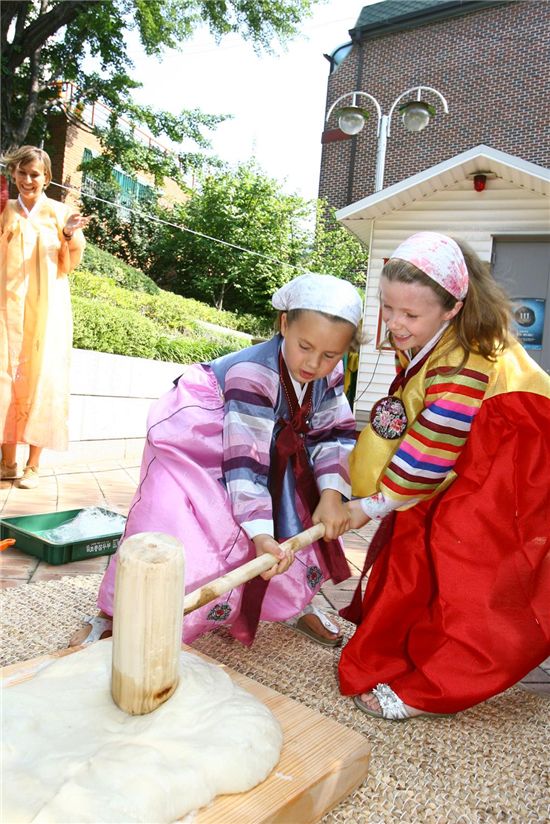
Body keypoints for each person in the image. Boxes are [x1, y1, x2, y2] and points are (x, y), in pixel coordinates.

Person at [71, 273, 363, 647]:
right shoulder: (253, 373)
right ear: (284, 324)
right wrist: (260, 534)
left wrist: (331, 495)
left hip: (265, 439)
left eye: (330, 355)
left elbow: (333, 431)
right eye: (305, 347)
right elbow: (248, 464)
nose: (314, 363)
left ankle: (290, 603)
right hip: (201, 432)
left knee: (293, 509)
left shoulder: (329, 373)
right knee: (177, 520)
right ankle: (117, 613)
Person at [339, 231, 550, 720]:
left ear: (452, 309)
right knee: (415, 543)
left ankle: (436, 686)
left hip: (516, 460)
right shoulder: (422, 336)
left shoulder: (463, 359)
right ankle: (404, 646)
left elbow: (433, 449)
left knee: (472, 565)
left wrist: (369, 506)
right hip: (466, 457)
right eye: (388, 308)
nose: (394, 324)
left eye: (410, 315)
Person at [0, 145, 88, 489]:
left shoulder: (59, 213)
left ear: (47, 178)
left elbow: (70, 263)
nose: (27, 180)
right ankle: (7, 461)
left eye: (34, 174)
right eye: (21, 173)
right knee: (5, 378)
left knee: (42, 378)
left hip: (47, 310)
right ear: (14, 174)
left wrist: (67, 235)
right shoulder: (5, 211)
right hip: (8, 308)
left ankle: (33, 465)